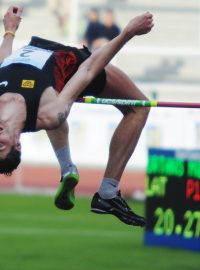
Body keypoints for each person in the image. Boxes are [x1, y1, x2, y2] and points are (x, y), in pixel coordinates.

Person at [0, 6, 154, 227]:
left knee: (52, 118)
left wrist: (10, 31)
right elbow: (88, 70)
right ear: (17, 144)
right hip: (76, 64)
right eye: (1, 147)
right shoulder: (49, 111)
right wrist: (127, 33)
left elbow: (4, 63)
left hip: (39, 49)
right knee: (139, 107)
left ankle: (68, 170)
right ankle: (108, 193)